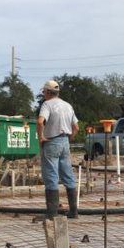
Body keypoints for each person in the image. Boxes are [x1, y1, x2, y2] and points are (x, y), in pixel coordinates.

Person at [37, 80, 79, 219]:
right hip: (65, 142)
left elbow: (40, 121)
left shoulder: (47, 104)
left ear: (48, 92)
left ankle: (52, 214)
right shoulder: (68, 105)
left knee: (51, 177)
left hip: (52, 142)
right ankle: (73, 211)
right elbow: (76, 127)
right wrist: (69, 139)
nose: (43, 94)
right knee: (68, 176)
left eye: (44, 92)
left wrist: (41, 137)